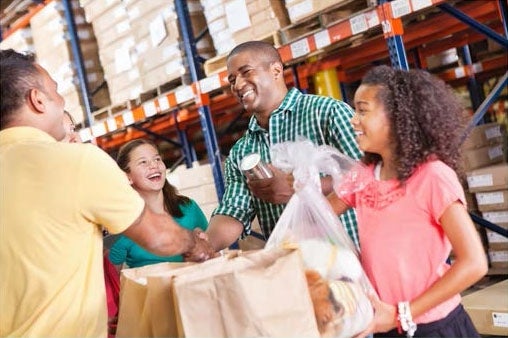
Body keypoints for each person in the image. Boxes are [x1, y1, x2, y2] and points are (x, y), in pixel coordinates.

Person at [0, 49, 214, 337]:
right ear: (38, 100)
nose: (61, 100)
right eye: (56, 91)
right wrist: (194, 243)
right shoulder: (76, 161)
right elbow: (159, 237)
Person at [326, 65, 487, 337]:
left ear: (398, 117)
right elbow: (319, 215)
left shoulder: (433, 176)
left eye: (362, 110)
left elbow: (474, 263)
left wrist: (403, 313)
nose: (354, 120)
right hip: (385, 325)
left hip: (432, 327)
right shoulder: (363, 176)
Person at [205, 40, 362, 252]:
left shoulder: (328, 113)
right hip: (294, 270)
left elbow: (370, 177)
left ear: (276, 70)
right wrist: (203, 244)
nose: (238, 85)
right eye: (232, 80)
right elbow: (234, 210)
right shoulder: (241, 152)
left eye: (246, 72)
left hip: (351, 260)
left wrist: (300, 187)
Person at [109, 139, 208, 268]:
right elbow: (112, 282)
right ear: (128, 177)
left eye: (157, 159)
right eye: (143, 162)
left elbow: (213, 252)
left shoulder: (188, 208)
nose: (154, 165)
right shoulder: (122, 226)